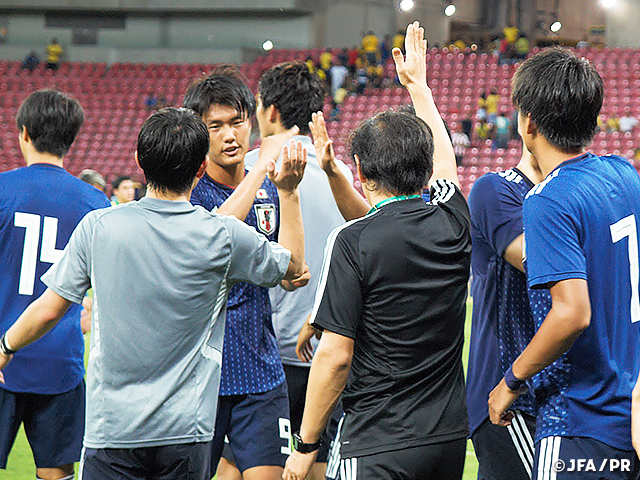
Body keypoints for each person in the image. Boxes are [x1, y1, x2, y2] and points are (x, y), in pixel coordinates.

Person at [0, 106, 307, 480]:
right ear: (200, 168)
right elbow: (295, 268)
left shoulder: (99, 226)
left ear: (138, 161)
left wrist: (6, 347)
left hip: (113, 429)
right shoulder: (223, 235)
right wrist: (288, 192)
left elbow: (49, 309)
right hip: (186, 431)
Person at [283, 22, 471, 480]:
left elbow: (335, 356)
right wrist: (418, 87)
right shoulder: (453, 220)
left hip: (376, 441)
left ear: (362, 171)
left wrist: (306, 446)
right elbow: (446, 166)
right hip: (446, 440)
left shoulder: (352, 241)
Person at [488, 47, 640, 479]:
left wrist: (510, 382)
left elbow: (572, 313)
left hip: (578, 419)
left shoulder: (548, 199)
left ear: (528, 122)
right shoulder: (624, 174)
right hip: (630, 413)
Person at [182, 65, 307, 480]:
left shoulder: (268, 186)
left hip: (261, 371)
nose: (229, 135)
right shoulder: (190, 193)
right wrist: (261, 168)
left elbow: (292, 273)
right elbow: (216, 233)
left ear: (251, 122)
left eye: (237, 122)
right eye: (215, 126)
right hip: (202, 376)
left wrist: (289, 193)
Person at [244, 61, 354, 480]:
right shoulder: (339, 173)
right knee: (319, 464)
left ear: (270, 110)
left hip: (264, 354)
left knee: (247, 467)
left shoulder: (251, 169)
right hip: (328, 351)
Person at [0, 89, 110, 480]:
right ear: (71, 139)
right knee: (57, 473)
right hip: (61, 363)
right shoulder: (96, 204)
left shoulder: (2, 190)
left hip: (2, 356)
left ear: (23, 133)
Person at [466, 146, 546, 480]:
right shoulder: (497, 189)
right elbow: (541, 263)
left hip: (555, 397)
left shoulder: (575, 191)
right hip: (513, 400)